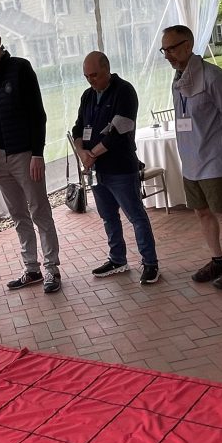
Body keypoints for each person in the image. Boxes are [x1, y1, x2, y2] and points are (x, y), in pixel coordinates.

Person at [0, 20, 62, 294]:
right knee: (18, 215)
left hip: (25, 154)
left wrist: (38, 153)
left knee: (40, 211)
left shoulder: (20, 68)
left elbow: (38, 114)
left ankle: (52, 270)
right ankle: (31, 268)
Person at [160, 25, 222, 290]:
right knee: (201, 212)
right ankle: (217, 260)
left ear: (188, 45)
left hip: (215, 159)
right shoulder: (178, 79)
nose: (168, 55)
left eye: (172, 48)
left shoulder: (214, 77)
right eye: (164, 50)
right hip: (191, 161)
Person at [72, 51, 160, 284]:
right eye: (87, 76)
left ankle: (150, 263)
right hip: (95, 170)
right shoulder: (87, 96)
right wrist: (83, 153)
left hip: (120, 167)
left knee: (136, 216)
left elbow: (120, 131)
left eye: (95, 75)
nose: (91, 80)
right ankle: (117, 259)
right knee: (108, 216)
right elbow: (78, 128)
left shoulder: (124, 91)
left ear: (107, 69)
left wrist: (92, 154)